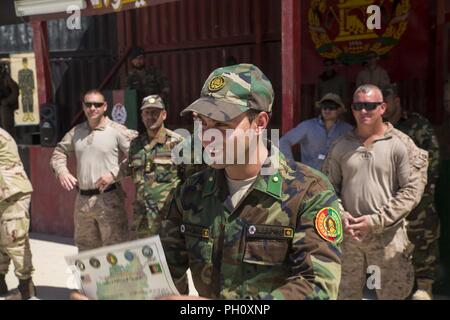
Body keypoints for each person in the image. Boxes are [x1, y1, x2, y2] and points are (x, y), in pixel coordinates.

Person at [158, 63, 343, 300]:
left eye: (222, 125)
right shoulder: (191, 192)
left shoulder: (308, 192)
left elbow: (318, 288)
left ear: (260, 123)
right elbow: (164, 271)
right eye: (203, 124)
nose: (207, 137)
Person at [323, 84, 428, 300]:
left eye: (370, 106)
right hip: (349, 240)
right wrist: (342, 216)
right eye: (358, 106)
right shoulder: (340, 146)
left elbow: (411, 191)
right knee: (345, 295)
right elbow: (328, 188)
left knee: (390, 295)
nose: (363, 111)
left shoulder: (400, 144)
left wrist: (376, 221)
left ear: (382, 108)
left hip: (386, 241)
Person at [50, 89, 137, 251]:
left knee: (116, 251)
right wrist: (62, 171)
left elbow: (137, 156)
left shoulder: (116, 130)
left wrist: (114, 174)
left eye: (97, 104)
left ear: (105, 106)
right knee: (87, 253)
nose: (92, 108)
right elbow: (59, 152)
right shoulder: (76, 132)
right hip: (82, 200)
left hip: (108, 198)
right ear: (83, 107)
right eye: (88, 104)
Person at [381, 83, 441, 300]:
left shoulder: (416, 124)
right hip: (388, 197)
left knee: (422, 237)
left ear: (397, 101)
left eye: (387, 101)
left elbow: (432, 157)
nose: (384, 107)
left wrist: (415, 185)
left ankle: (425, 286)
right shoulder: (378, 129)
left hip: (418, 196)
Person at [126, 94, 185, 239]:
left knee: (171, 260)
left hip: (168, 220)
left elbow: (189, 179)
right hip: (142, 220)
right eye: (146, 113)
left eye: (155, 113)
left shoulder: (178, 143)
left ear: (164, 115)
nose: (150, 117)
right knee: (145, 261)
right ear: (141, 116)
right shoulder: (136, 145)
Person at [0, 127, 35, 300]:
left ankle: (25, 287)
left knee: (14, 239)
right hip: (3, 193)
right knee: (1, 241)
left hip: (11, 193)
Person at [280, 93, 353, 171]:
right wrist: (291, 165)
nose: (327, 110)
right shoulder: (307, 126)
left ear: (339, 110)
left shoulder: (347, 130)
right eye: (324, 106)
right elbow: (284, 141)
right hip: (310, 178)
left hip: (336, 180)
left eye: (332, 107)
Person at [126, 47, 170, 133]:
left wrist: (160, 98)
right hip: (139, 109)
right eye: (136, 59)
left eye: (140, 58)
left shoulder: (154, 72)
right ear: (132, 61)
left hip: (155, 105)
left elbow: (166, 86)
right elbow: (127, 94)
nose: (138, 61)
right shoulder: (130, 76)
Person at [0, 62, 19, 136]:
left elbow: (15, 91)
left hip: (5, 107)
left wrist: (7, 101)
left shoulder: (6, 78)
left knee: (7, 127)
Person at [18, 58, 35, 122]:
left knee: (30, 101)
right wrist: (19, 89)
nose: (25, 64)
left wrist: (33, 88)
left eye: (26, 63)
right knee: (24, 102)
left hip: (29, 89)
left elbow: (32, 80)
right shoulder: (20, 72)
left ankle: (30, 114)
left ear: (27, 63)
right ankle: (25, 114)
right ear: (22, 63)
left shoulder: (30, 71)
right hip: (23, 89)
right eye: (24, 63)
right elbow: (19, 80)